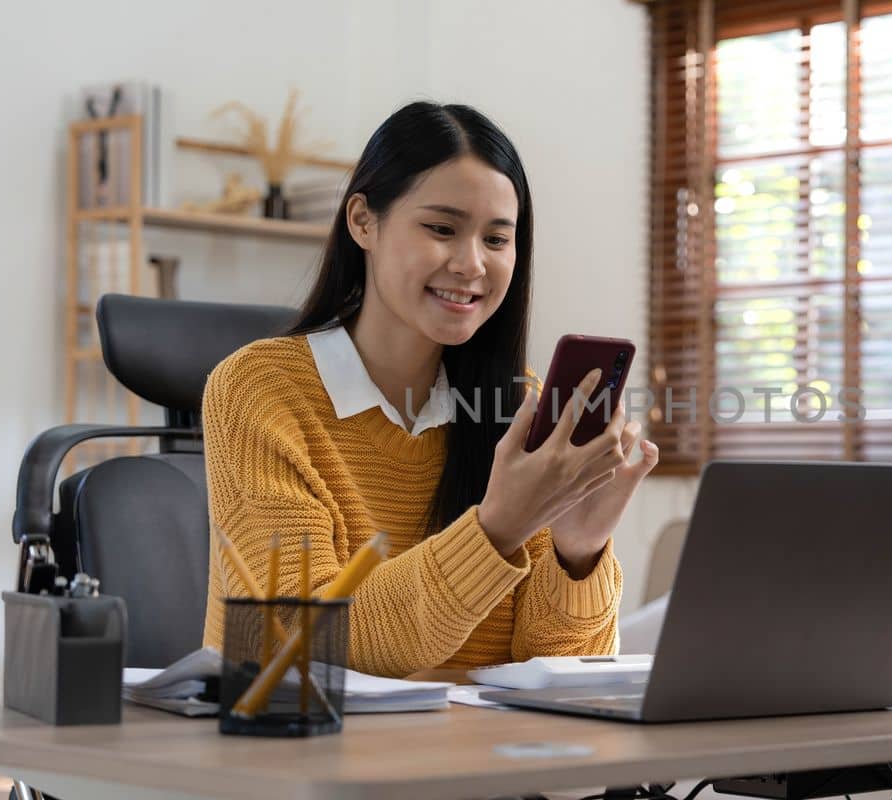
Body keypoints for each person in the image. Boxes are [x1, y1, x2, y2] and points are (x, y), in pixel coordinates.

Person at [199, 102, 658, 678]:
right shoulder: (260, 390)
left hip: (479, 757)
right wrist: (498, 528)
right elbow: (298, 639)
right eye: (442, 229)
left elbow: (555, 676)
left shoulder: (518, 407)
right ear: (363, 221)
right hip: (308, 756)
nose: (471, 265)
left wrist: (578, 549)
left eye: (496, 239)